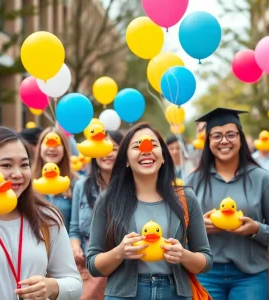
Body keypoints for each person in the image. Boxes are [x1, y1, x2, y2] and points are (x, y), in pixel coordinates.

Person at [86, 123, 213, 300]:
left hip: (175, 294)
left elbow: (206, 261)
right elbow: (93, 265)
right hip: (124, 295)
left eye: (153, 145)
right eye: (137, 146)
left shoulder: (186, 198)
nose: (146, 150)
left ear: (163, 157)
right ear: (126, 160)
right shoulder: (107, 200)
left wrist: (183, 255)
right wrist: (119, 252)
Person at [0, 126, 82, 300]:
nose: (17, 174)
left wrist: (51, 287)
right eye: (6, 165)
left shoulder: (47, 217)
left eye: (24, 165)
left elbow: (75, 284)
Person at [186, 108, 269, 300]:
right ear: (208, 141)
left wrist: (256, 229)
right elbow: (178, 232)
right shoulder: (193, 181)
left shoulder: (261, 179)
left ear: (241, 138)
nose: (224, 141)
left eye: (231, 134)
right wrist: (197, 229)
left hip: (250, 275)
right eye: (216, 136)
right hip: (205, 273)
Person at [70, 130, 123, 300]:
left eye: (113, 148)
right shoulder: (81, 186)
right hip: (91, 268)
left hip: (124, 269)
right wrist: (75, 246)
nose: (107, 153)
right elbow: (75, 229)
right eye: (101, 148)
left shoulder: (133, 187)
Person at [32, 127, 78, 232]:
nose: (52, 148)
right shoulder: (28, 182)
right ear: (40, 147)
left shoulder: (76, 183)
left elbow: (76, 228)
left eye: (57, 144)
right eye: (47, 143)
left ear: (64, 148)